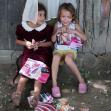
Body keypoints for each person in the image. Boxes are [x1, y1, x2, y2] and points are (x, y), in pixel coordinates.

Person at [11, 1, 53, 107]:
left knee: (40, 69)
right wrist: (26, 43)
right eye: (40, 15)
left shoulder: (46, 29)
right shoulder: (23, 28)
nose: (43, 18)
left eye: (44, 15)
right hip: (29, 53)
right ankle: (18, 94)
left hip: (42, 54)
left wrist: (40, 44)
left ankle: (35, 96)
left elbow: (50, 43)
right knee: (25, 72)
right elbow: (18, 41)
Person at [51, 3, 87, 98]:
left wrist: (75, 31)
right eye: (63, 16)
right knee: (55, 57)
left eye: (68, 17)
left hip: (70, 51)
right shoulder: (57, 25)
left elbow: (84, 38)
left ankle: (81, 81)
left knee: (68, 59)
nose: (65, 19)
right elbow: (53, 40)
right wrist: (57, 31)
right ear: (60, 16)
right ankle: (54, 85)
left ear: (72, 17)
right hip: (58, 50)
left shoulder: (75, 25)